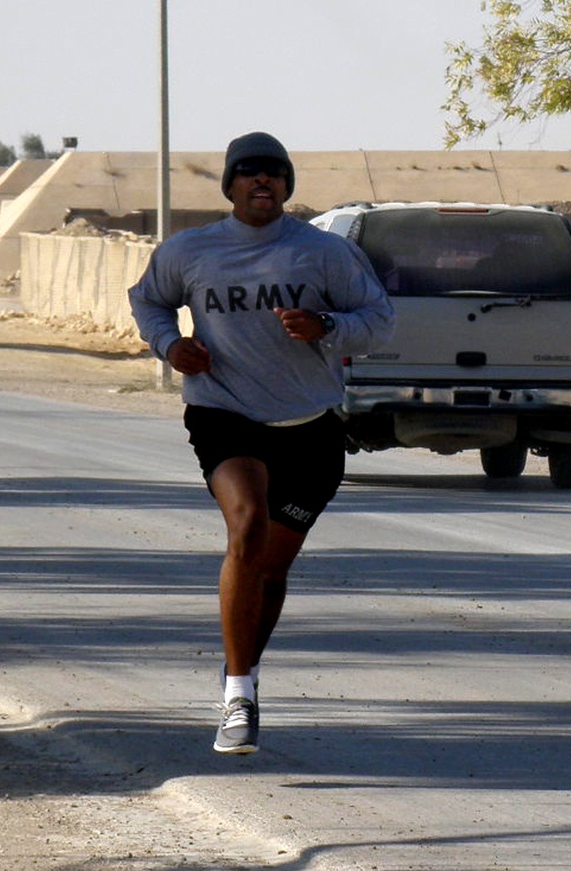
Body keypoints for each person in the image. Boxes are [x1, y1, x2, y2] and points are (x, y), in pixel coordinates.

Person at [128, 131, 395, 754]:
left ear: (287, 187)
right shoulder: (191, 251)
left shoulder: (323, 253)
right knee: (245, 527)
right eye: (248, 173)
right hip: (224, 413)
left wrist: (326, 325)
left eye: (274, 174)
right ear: (229, 185)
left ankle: (237, 668)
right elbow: (149, 302)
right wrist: (171, 346)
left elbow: (379, 322)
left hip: (311, 426)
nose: (262, 182)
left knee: (270, 569)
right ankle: (240, 697)